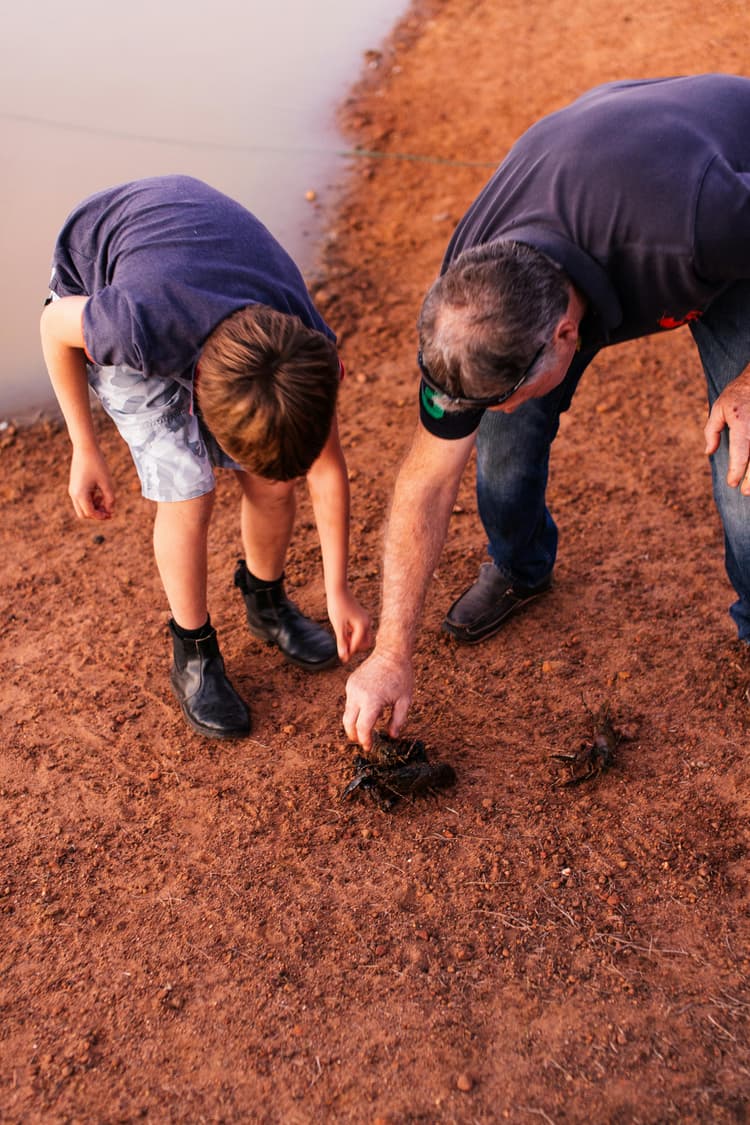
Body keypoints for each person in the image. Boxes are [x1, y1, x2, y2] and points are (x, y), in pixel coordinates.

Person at [344, 73, 750, 750]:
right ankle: (519, 564)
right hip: (600, 170)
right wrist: (390, 652)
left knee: (745, 452)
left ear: (567, 335)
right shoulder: (468, 307)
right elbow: (427, 478)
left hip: (720, 194)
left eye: (509, 388)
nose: (488, 409)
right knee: (505, 438)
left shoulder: (699, 224)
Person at [41, 174, 371, 740]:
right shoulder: (132, 325)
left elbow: (326, 467)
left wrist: (337, 586)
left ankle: (266, 604)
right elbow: (53, 327)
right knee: (188, 490)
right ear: (204, 402)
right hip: (104, 270)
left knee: (271, 484)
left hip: (200, 271)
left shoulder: (305, 347)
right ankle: (193, 653)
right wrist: (84, 446)